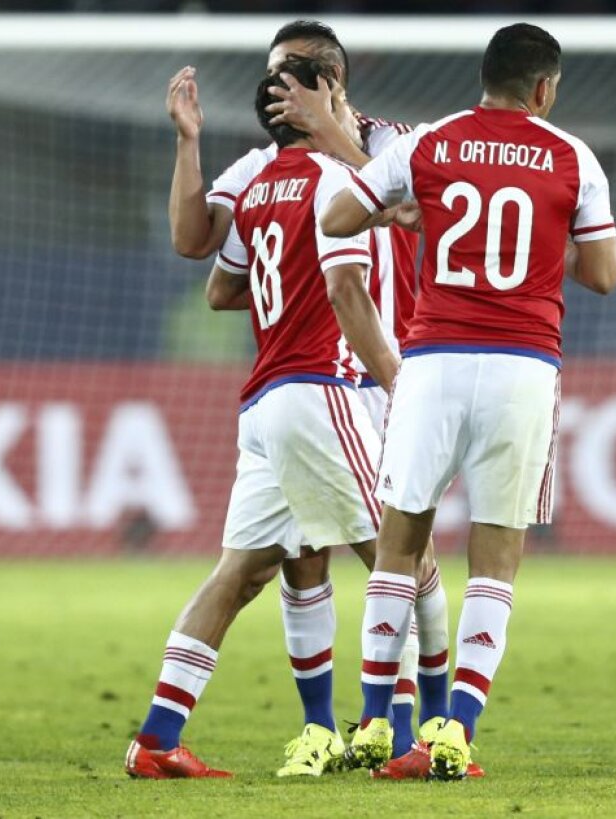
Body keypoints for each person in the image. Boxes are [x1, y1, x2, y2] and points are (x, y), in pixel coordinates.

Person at [322, 23, 616, 780]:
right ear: (545, 88)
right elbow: (603, 274)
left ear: (483, 77)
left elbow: (337, 218)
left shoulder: (430, 142)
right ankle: (455, 728)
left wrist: (410, 210)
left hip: (433, 359)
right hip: (523, 365)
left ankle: (369, 720)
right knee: (496, 555)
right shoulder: (572, 157)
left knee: (399, 539)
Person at [165, 20, 455, 779]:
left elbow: (416, 210)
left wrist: (338, 143)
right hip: (343, 379)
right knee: (335, 557)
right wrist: (189, 143)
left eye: (287, 78)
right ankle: (382, 727)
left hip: (383, 370)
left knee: (330, 556)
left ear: (329, 80)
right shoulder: (263, 166)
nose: (273, 93)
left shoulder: (393, 142)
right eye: (269, 79)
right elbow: (203, 255)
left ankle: (385, 724)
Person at [125, 58, 404, 781]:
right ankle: (404, 731)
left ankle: (158, 737)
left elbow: (225, 283)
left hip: (266, 398)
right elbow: (374, 254)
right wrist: (398, 380)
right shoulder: (347, 175)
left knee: (242, 571)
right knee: (403, 559)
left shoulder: (256, 189)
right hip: (327, 385)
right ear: (324, 101)